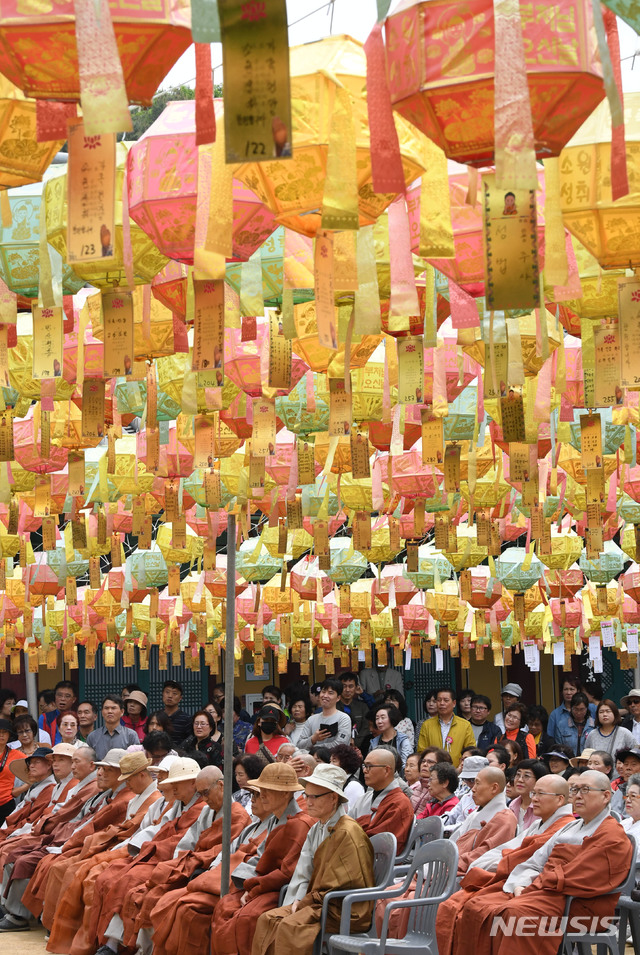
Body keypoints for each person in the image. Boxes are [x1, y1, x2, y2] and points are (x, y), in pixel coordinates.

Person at [447, 771, 633, 955]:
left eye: (585, 790)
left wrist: (532, 887)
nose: (577, 796)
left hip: (580, 904)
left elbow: (583, 877)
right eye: (574, 789)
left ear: (606, 795)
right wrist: (520, 884)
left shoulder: (612, 835)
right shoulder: (572, 826)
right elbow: (537, 860)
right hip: (546, 891)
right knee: (477, 905)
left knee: (514, 915)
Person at [436, 775, 574, 955]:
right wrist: (488, 863)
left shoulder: (563, 826)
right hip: (511, 877)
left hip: (527, 886)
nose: (534, 799)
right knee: (455, 905)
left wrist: (495, 865)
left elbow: (520, 858)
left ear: (560, 799)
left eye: (540, 794)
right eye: (534, 793)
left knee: (477, 909)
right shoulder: (542, 823)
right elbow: (511, 851)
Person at [252, 764, 375, 955]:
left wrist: (305, 903)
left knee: (290, 926)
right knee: (268, 920)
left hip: (340, 906)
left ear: (333, 798)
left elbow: (345, 884)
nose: (307, 802)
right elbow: (303, 873)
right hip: (314, 901)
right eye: (306, 796)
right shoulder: (316, 828)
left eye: (314, 797)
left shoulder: (348, 832)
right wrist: (296, 901)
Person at [210, 763, 314, 955]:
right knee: (224, 906)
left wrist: (254, 888)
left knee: (246, 918)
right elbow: (262, 858)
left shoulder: (299, 823)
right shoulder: (275, 818)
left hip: (281, 889)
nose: (262, 795)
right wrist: (250, 886)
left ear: (285, 794)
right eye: (261, 790)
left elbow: (288, 872)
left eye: (268, 790)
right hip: (263, 884)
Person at [448, 767, 517, 876]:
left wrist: (448, 864)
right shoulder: (475, 815)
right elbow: (455, 843)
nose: (473, 789)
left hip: (468, 874)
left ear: (494, 788)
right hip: (453, 866)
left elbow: (483, 856)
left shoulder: (505, 819)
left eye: (477, 783)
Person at [350, 747, 414, 853]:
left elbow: (383, 844)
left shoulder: (400, 803)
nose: (365, 770)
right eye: (364, 766)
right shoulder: (364, 798)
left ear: (386, 770)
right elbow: (346, 827)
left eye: (369, 766)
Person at [417, 687, 476, 764]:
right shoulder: (427, 725)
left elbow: (470, 751)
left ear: (454, 703)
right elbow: (422, 751)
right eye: (438, 700)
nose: (442, 703)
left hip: (457, 772)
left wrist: (459, 768)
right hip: (433, 771)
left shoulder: (465, 725)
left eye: (446, 700)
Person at [296, 679, 352, 752]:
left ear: (338, 698)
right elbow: (299, 745)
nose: (325, 696)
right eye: (323, 692)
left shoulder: (343, 718)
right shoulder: (311, 719)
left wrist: (315, 749)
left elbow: (340, 745)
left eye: (330, 693)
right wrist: (313, 739)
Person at [507, 759, 550, 832]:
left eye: (526, 776)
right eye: (518, 775)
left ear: (539, 780)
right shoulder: (512, 805)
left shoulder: (543, 807)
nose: (520, 780)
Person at [368, 703, 412, 769]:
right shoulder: (374, 742)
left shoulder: (402, 740)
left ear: (392, 718)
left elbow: (406, 764)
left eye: (383, 717)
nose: (379, 721)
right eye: (377, 718)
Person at [551, 691, 594, 755]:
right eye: (576, 709)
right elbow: (559, 748)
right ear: (571, 708)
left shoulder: (594, 725)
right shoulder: (561, 725)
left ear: (587, 709)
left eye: (582, 709)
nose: (579, 713)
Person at [547, 675, 586, 741]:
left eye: (572, 689)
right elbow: (550, 738)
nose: (568, 693)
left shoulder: (590, 709)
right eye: (565, 689)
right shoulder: (555, 714)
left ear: (578, 691)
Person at [39, 681, 77, 746]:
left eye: (67, 696)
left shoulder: (77, 718)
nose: (62, 699)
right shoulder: (45, 718)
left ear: (74, 699)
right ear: (55, 697)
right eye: (59, 695)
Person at [337, 671, 369, 750]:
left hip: (359, 747)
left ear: (356, 688)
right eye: (344, 686)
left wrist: (355, 742)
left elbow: (366, 728)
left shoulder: (362, 707)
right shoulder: (333, 706)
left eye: (351, 686)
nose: (347, 690)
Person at [329, 744, 364, 812]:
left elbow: (350, 813)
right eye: (330, 761)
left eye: (334, 761)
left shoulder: (354, 785)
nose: (330, 765)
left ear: (346, 763)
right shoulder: (337, 782)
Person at [0, 718, 22, 823]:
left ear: (9, 735)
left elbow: (35, 771)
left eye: (4, 732)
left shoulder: (16, 755)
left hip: (6, 803)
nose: (1, 735)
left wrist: (22, 788)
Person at [160, 680, 192, 746]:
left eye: (174, 693)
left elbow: (190, 740)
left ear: (180, 698)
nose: (170, 696)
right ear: (162, 694)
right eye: (167, 692)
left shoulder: (187, 719)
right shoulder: (157, 716)